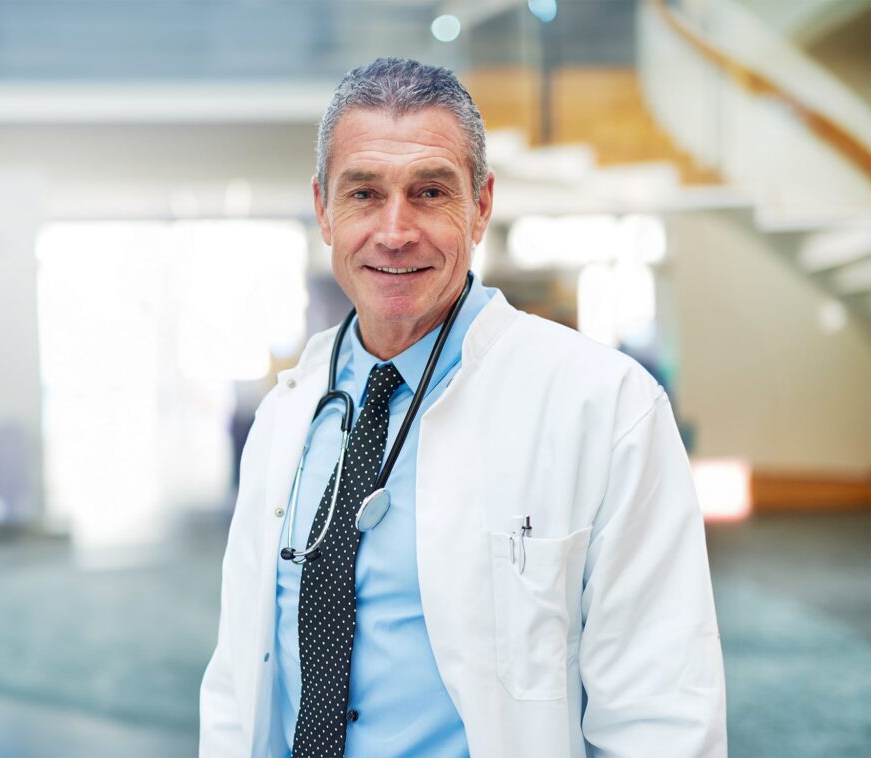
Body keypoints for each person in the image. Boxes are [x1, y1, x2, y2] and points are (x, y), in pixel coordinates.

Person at [200, 58, 726, 758]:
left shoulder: (604, 406)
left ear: (480, 206)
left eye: (429, 192)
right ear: (324, 209)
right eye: (364, 193)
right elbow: (239, 679)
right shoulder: (286, 415)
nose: (394, 230)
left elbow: (662, 714)